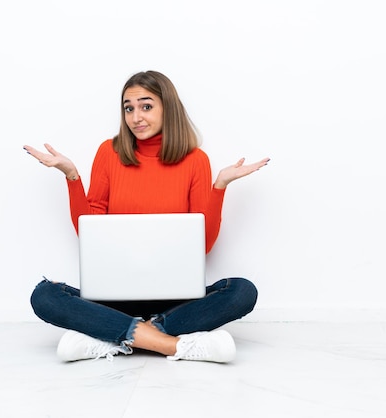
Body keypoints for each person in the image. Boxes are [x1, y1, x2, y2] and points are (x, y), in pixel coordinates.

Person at [24, 70, 269, 363]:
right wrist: (73, 177)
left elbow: (202, 246)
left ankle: (112, 337)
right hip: (113, 297)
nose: (135, 117)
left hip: (176, 300)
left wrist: (219, 187)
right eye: (129, 108)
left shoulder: (195, 160)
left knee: (242, 291)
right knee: (44, 296)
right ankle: (171, 344)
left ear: (168, 107)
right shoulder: (109, 152)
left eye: (146, 106)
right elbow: (88, 232)